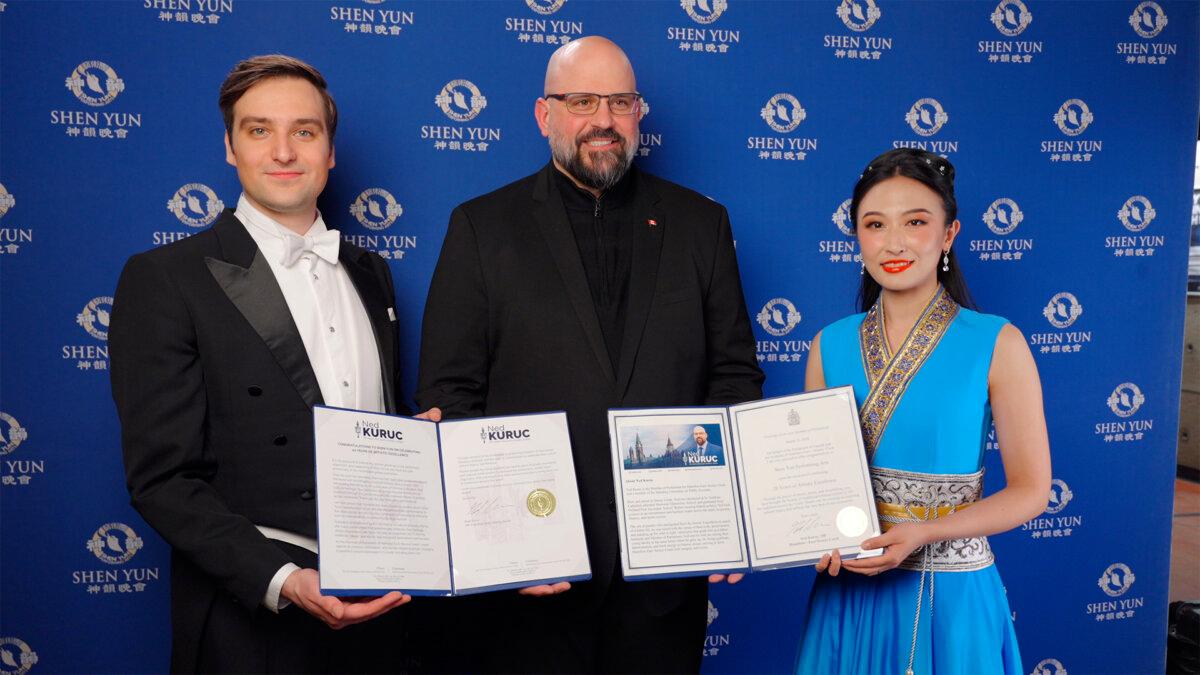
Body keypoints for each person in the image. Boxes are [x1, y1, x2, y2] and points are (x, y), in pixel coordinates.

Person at [416, 35, 763, 673]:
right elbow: (449, 396)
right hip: (527, 587)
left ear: (639, 113)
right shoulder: (481, 227)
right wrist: (502, 547)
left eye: (620, 101)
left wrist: (723, 516)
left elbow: (734, 377)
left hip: (663, 579)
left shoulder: (700, 223)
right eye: (581, 101)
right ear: (545, 115)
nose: (602, 120)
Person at [110, 55, 436, 673]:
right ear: (230, 148)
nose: (284, 151)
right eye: (260, 130)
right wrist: (283, 578)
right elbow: (162, 479)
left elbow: (376, 428)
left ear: (330, 151)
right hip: (252, 623)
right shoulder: (164, 279)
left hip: (385, 609)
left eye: (305, 131)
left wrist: (424, 447)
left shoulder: (371, 273)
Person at [795, 148, 1051, 674]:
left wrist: (925, 533)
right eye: (874, 224)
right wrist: (805, 532)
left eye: (916, 222)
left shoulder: (996, 341)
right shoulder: (828, 344)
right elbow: (812, 481)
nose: (893, 242)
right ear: (857, 236)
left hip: (950, 591)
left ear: (949, 234)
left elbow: (1031, 491)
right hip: (850, 588)